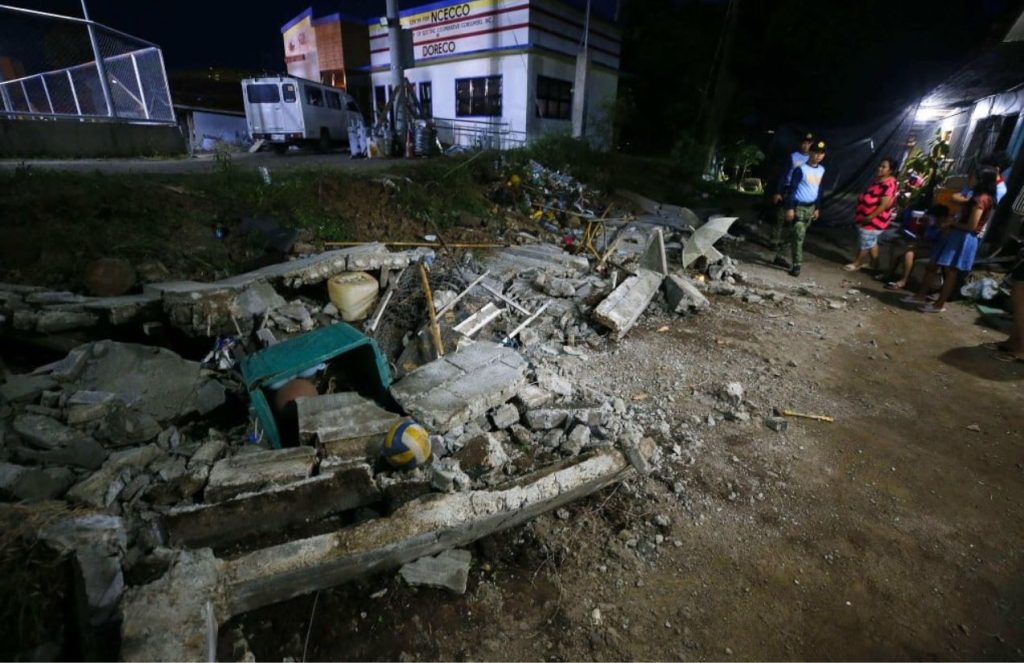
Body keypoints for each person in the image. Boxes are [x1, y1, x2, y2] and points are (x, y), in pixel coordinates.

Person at [903, 166, 998, 313]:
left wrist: (952, 223)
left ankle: (939, 304)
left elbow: (972, 226)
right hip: (957, 234)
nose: (968, 179)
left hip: (962, 237)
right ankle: (922, 296)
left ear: (981, 180)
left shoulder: (980, 200)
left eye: (972, 177)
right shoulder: (980, 197)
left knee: (950, 271)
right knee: (935, 265)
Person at [773, 138, 826, 277]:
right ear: (810, 153)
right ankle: (797, 264)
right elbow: (792, 189)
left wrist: (817, 208)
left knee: (795, 234)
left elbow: (819, 190)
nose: (818, 156)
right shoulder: (800, 169)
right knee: (799, 236)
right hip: (798, 207)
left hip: (810, 207)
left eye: (821, 153)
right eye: (815, 152)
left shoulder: (821, 170)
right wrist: (790, 208)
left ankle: (779, 255)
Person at [844, 157, 899, 272]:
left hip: (874, 220)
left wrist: (870, 217)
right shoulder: (879, 180)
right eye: (880, 166)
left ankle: (857, 263)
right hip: (866, 218)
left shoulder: (889, 184)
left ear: (891, 170)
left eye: (884, 167)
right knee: (871, 242)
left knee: (865, 241)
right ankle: (874, 265)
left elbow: (884, 205)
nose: (880, 168)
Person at [882, 204, 950, 291]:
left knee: (908, 253)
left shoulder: (944, 229)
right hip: (922, 246)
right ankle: (889, 274)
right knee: (898, 249)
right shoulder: (929, 225)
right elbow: (921, 236)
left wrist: (921, 244)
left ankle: (903, 280)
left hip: (933, 250)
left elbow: (939, 244)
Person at [770, 133, 814, 252]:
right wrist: (778, 191)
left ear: (811, 145)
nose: (806, 146)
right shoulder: (793, 156)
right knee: (780, 216)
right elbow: (784, 174)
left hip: (801, 192)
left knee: (795, 220)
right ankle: (774, 241)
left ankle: (786, 245)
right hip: (788, 188)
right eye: (804, 143)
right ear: (800, 144)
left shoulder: (812, 158)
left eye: (808, 143)